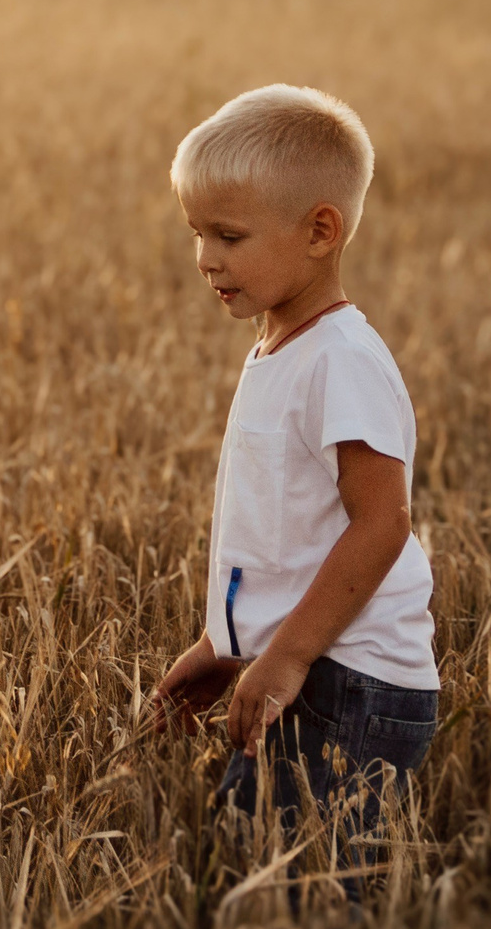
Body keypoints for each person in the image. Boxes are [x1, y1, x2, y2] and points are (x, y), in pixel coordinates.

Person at [148, 85, 439, 885]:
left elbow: (382, 523)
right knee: (246, 869)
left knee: (300, 900)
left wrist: (285, 656)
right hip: (309, 664)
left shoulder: (340, 359)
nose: (206, 258)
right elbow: (286, 534)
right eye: (197, 233)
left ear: (320, 231)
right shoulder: (282, 348)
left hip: (350, 681)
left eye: (229, 235)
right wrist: (226, 645)